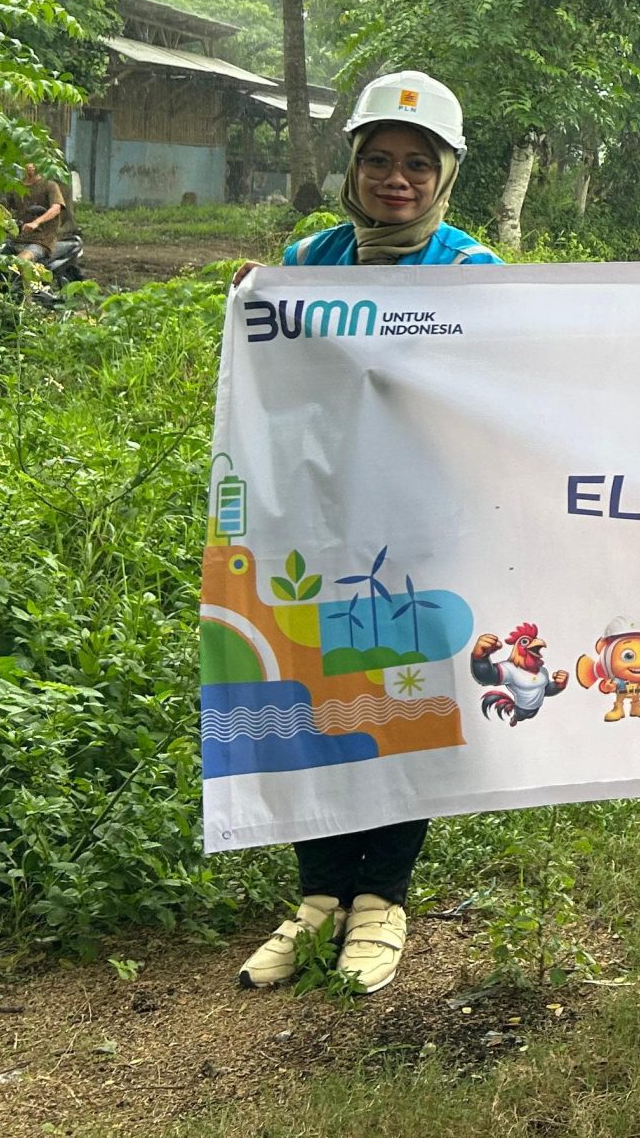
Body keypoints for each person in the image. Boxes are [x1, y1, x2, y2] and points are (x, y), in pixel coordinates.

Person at [234, 70, 499, 997]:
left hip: (419, 521)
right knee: (313, 690)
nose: (397, 180)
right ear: (353, 166)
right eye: (379, 160)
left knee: (399, 700)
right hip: (314, 518)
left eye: (418, 165)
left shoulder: (472, 274)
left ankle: (381, 898)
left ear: (445, 174)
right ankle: (318, 896)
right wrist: (253, 305)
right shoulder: (310, 257)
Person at [6, 160, 79, 273]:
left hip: (41, 240)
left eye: (33, 162)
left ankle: (28, 285)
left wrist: (36, 222)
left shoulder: (49, 185)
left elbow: (56, 208)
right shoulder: (15, 187)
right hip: (16, 238)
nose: (30, 166)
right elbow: (2, 207)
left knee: (21, 262)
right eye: (26, 162)